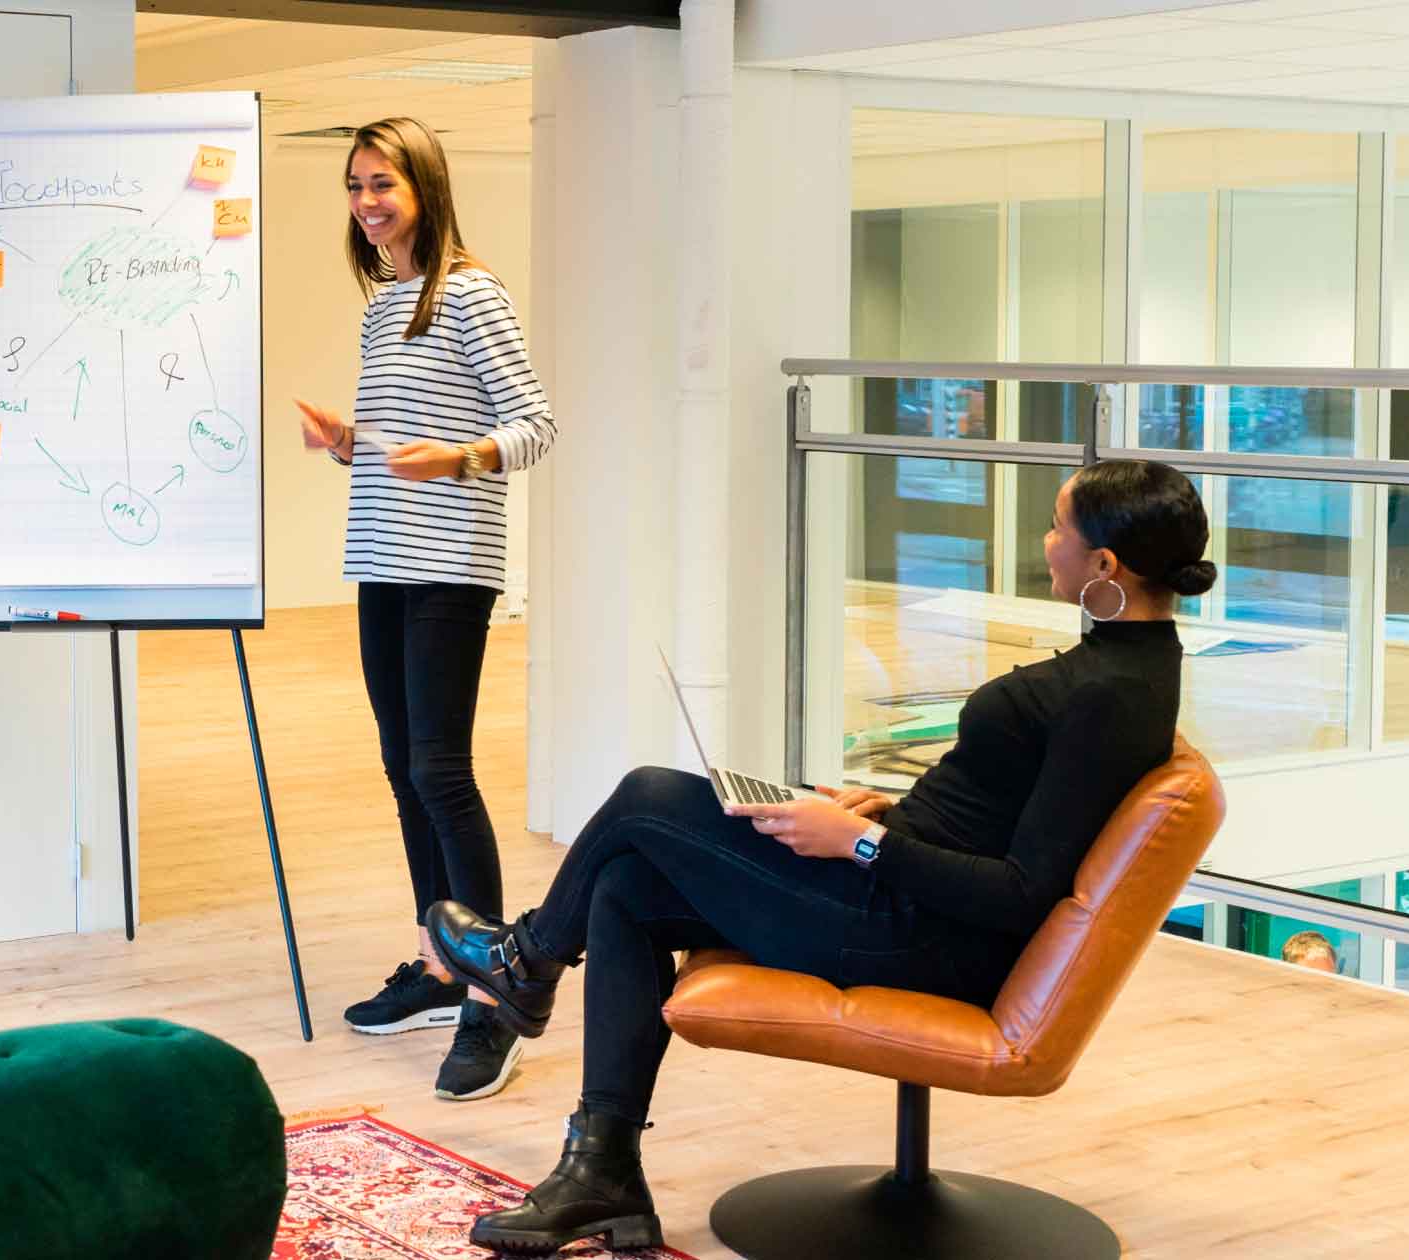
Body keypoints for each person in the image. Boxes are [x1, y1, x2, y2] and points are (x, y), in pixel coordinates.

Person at [422, 459, 1213, 1254]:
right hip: (898, 891)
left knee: (648, 795)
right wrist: (878, 814)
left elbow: (1020, 891)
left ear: (1105, 566)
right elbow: (1006, 816)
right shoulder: (1127, 669)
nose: (1045, 542)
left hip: (920, 934)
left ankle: (525, 964)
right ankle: (602, 1173)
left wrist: (862, 843)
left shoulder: (1112, 693)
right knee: (627, 883)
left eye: (1056, 527)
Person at [292, 117, 558, 1103]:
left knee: (440, 769)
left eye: (382, 186)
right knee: (403, 768)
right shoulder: (385, 304)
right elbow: (411, 437)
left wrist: (461, 457)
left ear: (425, 190)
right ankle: (441, 964)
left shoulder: (469, 292)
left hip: (452, 565)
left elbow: (534, 423)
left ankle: (496, 995)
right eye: (355, 186)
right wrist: (352, 441)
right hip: (383, 559)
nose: (366, 204)